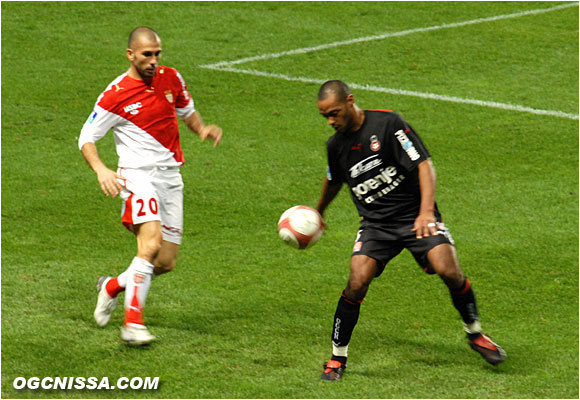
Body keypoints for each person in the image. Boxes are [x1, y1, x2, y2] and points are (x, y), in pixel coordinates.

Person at [315, 80, 505, 381]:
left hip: (414, 216)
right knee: (356, 281)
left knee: (449, 270)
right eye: (325, 116)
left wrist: (427, 211)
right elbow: (334, 179)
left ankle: (475, 334)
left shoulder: (389, 123)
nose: (331, 121)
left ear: (350, 101)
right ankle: (338, 357)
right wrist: (319, 211)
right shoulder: (335, 146)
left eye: (335, 113)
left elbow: (424, 165)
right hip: (376, 225)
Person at [78, 27, 222, 345]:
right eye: (147, 54)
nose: (154, 60)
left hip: (170, 176)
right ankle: (132, 325)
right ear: (131, 55)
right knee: (151, 244)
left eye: (157, 53)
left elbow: (186, 110)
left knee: (165, 262)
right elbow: (86, 137)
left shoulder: (171, 78)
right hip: (136, 176)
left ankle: (112, 286)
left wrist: (201, 129)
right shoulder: (115, 94)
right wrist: (102, 169)